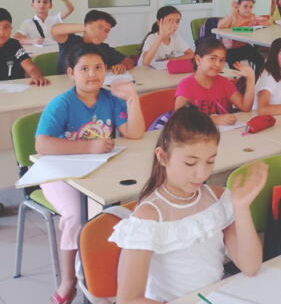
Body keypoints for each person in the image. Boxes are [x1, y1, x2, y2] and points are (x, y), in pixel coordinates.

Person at [111, 106, 268, 303]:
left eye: (210, 162)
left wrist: (241, 208)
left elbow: (250, 266)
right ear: (163, 157)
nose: (202, 174)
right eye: (190, 163)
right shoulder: (149, 217)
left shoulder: (217, 198)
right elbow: (129, 300)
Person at [35, 43, 144, 304]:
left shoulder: (109, 99)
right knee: (76, 214)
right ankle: (69, 281)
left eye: (98, 68)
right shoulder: (62, 103)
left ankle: (103, 273)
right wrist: (90, 146)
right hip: (58, 173)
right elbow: (42, 145)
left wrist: (132, 99)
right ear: (71, 73)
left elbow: (135, 133)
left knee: (114, 210)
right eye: (84, 69)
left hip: (95, 172)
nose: (92, 74)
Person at [174, 38, 256, 124]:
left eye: (221, 60)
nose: (218, 64)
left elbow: (245, 108)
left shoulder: (224, 82)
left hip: (225, 131)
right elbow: (179, 120)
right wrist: (214, 120)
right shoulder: (186, 86)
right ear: (198, 60)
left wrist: (250, 78)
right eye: (212, 58)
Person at [52, 10, 134, 74]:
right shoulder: (70, 41)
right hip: (65, 85)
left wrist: (122, 66)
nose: (102, 33)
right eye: (99, 27)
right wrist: (86, 28)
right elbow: (55, 30)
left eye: (106, 31)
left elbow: (129, 61)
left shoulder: (105, 48)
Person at [217, 0, 270, 70]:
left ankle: (255, 76)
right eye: (245, 6)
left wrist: (259, 22)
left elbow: (267, 22)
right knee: (236, 65)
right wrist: (233, 10)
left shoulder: (252, 16)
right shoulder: (233, 15)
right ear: (238, 6)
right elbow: (220, 25)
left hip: (243, 47)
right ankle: (238, 77)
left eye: (251, 7)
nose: (248, 9)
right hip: (230, 49)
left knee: (260, 60)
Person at [0, 8, 49, 85]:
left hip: (17, 89)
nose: (1, 32)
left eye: (6, 27)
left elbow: (31, 68)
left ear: (11, 29)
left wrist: (36, 76)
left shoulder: (14, 45)